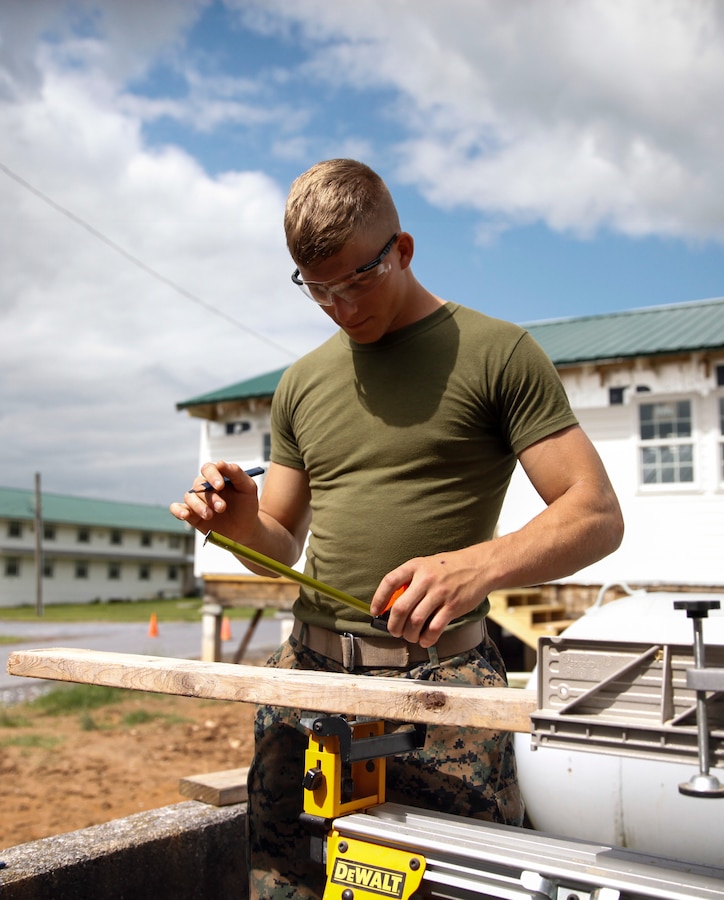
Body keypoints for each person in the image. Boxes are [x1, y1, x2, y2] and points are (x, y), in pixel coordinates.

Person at [170, 158, 624, 899]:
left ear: (403, 250)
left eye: (357, 280)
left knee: (456, 889)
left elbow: (596, 513)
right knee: (285, 884)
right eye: (317, 288)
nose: (341, 307)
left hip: (440, 692)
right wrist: (243, 523)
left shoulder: (497, 353)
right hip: (307, 687)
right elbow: (281, 543)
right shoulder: (302, 383)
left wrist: (476, 568)